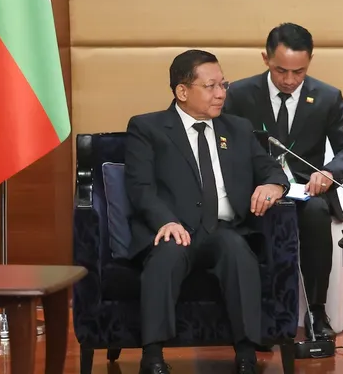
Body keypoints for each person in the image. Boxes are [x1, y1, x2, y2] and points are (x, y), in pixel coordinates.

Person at [124, 49, 290, 374]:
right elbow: (140, 187)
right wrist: (166, 221)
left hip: (224, 229)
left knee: (238, 252)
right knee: (166, 256)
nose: (221, 93)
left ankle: (246, 354)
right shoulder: (148, 128)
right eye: (211, 86)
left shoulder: (238, 129)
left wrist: (274, 185)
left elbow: (271, 169)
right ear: (182, 91)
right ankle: (153, 357)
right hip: (175, 228)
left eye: (223, 84)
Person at [223, 22, 343, 340]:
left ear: (309, 61)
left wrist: (329, 172)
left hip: (306, 193)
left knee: (316, 213)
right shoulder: (240, 95)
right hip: (256, 191)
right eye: (280, 71)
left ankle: (316, 311)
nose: (289, 80)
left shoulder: (327, 97)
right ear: (265, 59)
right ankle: (256, 312)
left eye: (298, 72)